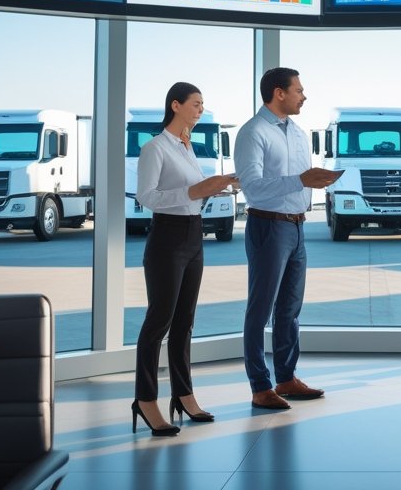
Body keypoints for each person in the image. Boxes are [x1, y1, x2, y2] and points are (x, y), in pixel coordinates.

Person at [132, 82, 237, 437]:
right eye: (195, 104)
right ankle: (146, 399)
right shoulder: (155, 148)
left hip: (195, 234)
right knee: (159, 320)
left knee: (185, 322)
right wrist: (196, 190)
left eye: (203, 105)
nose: (200, 109)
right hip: (167, 238)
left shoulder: (187, 146)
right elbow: (146, 197)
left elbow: (192, 193)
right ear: (175, 105)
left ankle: (184, 393)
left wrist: (215, 186)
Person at [234, 67, 341, 410]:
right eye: (299, 90)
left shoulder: (297, 132)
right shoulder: (253, 132)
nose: (304, 96)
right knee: (260, 309)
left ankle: (286, 378)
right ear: (279, 93)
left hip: (297, 227)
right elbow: (251, 187)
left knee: (290, 310)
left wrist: (312, 182)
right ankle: (260, 386)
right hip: (268, 226)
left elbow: (299, 180)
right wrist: (301, 180)